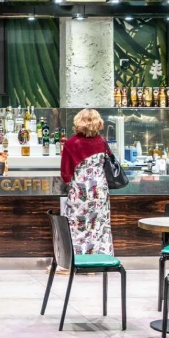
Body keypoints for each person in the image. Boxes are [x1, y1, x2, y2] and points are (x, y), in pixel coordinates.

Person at [60, 108, 113, 256]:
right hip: (100, 190)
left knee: (78, 225)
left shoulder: (71, 143)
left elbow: (65, 173)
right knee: (100, 226)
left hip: (80, 191)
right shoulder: (102, 141)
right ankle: (100, 258)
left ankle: (78, 259)